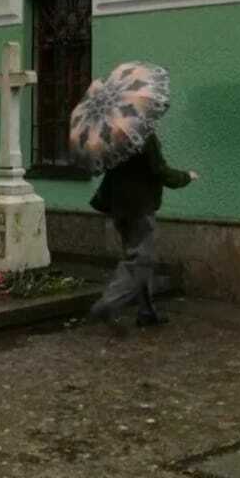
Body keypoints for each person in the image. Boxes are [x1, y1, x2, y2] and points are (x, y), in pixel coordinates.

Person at [88, 130, 197, 330]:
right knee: (140, 262)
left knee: (139, 258)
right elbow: (160, 170)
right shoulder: (143, 135)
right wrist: (186, 176)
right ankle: (107, 305)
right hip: (139, 208)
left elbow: (108, 168)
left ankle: (147, 312)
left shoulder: (113, 136)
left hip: (119, 208)